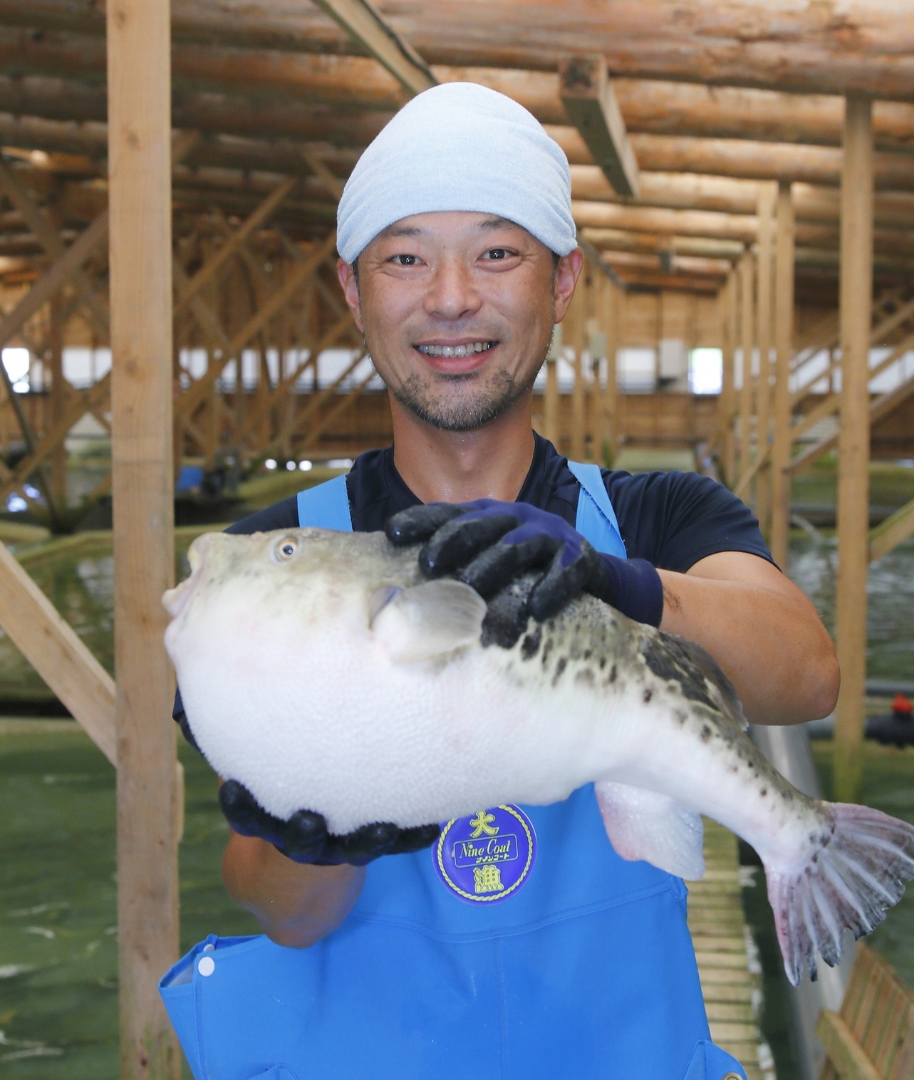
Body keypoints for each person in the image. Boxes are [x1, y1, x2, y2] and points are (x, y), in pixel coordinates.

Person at [161, 83, 839, 1080]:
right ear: (353, 290)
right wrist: (315, 842)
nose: (448, 298)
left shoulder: (659, 516)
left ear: (562, 280)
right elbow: (285, 917)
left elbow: (805, 674)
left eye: (496, 252)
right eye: (403, 257)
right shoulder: (278, 561)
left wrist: (623, 585)